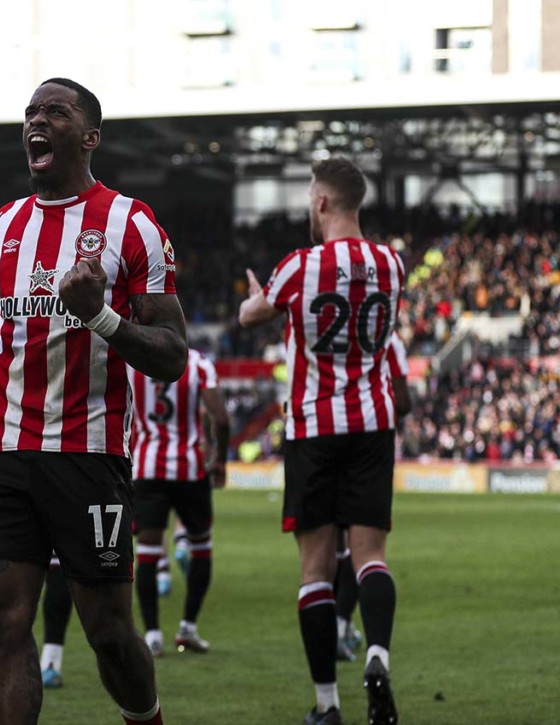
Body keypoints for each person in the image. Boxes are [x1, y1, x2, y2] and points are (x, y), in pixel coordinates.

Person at [0, 77, 187, 725]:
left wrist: (99, 317)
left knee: (108, 629)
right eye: (31, 112)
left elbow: (174, 354)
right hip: (5, 451)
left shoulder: (133, 225)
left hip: (87, 452)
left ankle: (145, 715)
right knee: (0, 613)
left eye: (55, 112)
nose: (36, 121)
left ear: (89, 137)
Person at [239, 157, 404, 725]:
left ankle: (327, 706)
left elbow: (249, 316)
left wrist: (259, 296)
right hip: (373, 425)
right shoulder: (393, 265)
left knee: (314, 571)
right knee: (371, 558)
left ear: (323, 203)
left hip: (313, 429)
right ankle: (377, 654)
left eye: (312, 196)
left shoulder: (298, 268)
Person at [0, 373, 75, 690]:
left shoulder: (8, 328)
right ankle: (51, 656)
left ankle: (37, 656)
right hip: (79, 458)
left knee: (3, 596)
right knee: (62, 571)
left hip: (12, 456)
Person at [128, 348, 230, 658]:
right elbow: (221, 419)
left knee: (147, 550)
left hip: (146, 468)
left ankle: (153, 636)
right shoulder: (198, 364)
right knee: (201, 546)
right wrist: (220, 460)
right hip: (189, 469)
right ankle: (188, 628)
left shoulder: (134, 361)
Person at [335, 332, 411, 663]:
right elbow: (404, 400)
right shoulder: (386, 338)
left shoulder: (320, 328)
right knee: (364, 550)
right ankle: (347, 631)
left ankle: (335, 634)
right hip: (368, 447)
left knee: (325, 551)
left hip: (319, 441)